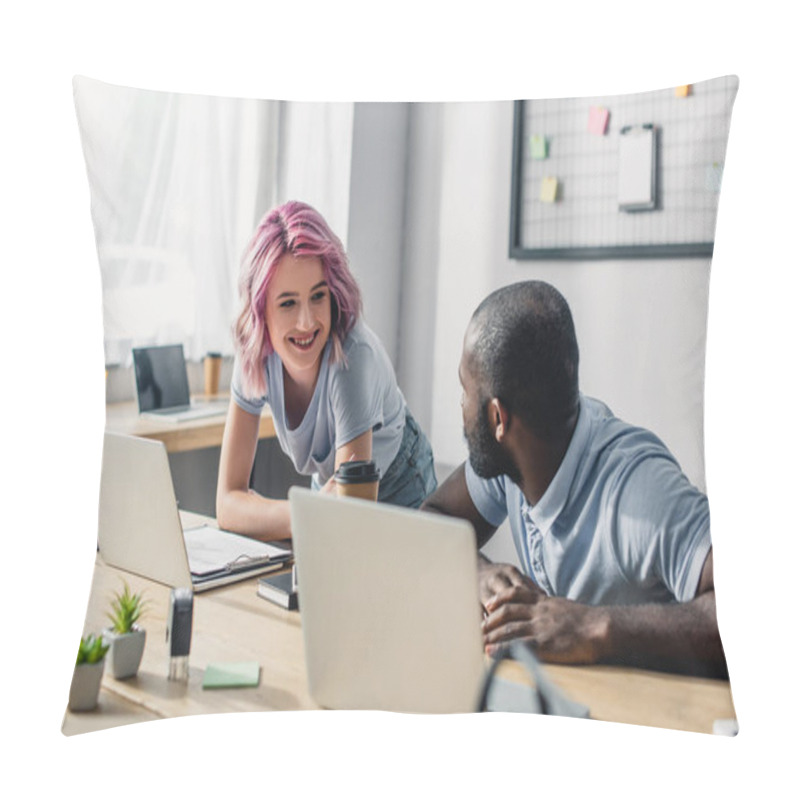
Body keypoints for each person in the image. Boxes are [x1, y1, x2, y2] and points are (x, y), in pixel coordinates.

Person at [422, 280, 728, 677]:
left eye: (465, 389)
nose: (461, 405)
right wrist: (476, 572)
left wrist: (596, 628)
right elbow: (434, 516)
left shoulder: (639, 492)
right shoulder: (512, 460)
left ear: (498, 418)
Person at [216, 200, 436, 541]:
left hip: (400, 481)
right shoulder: (253, 353)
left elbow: (345, 519)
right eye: (287, 303)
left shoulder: (351, 359)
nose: (307, 322)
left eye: (318, 297)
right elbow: (227, 503)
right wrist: (307, 512)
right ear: (260, 310)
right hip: (330, 486)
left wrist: (307, 512)